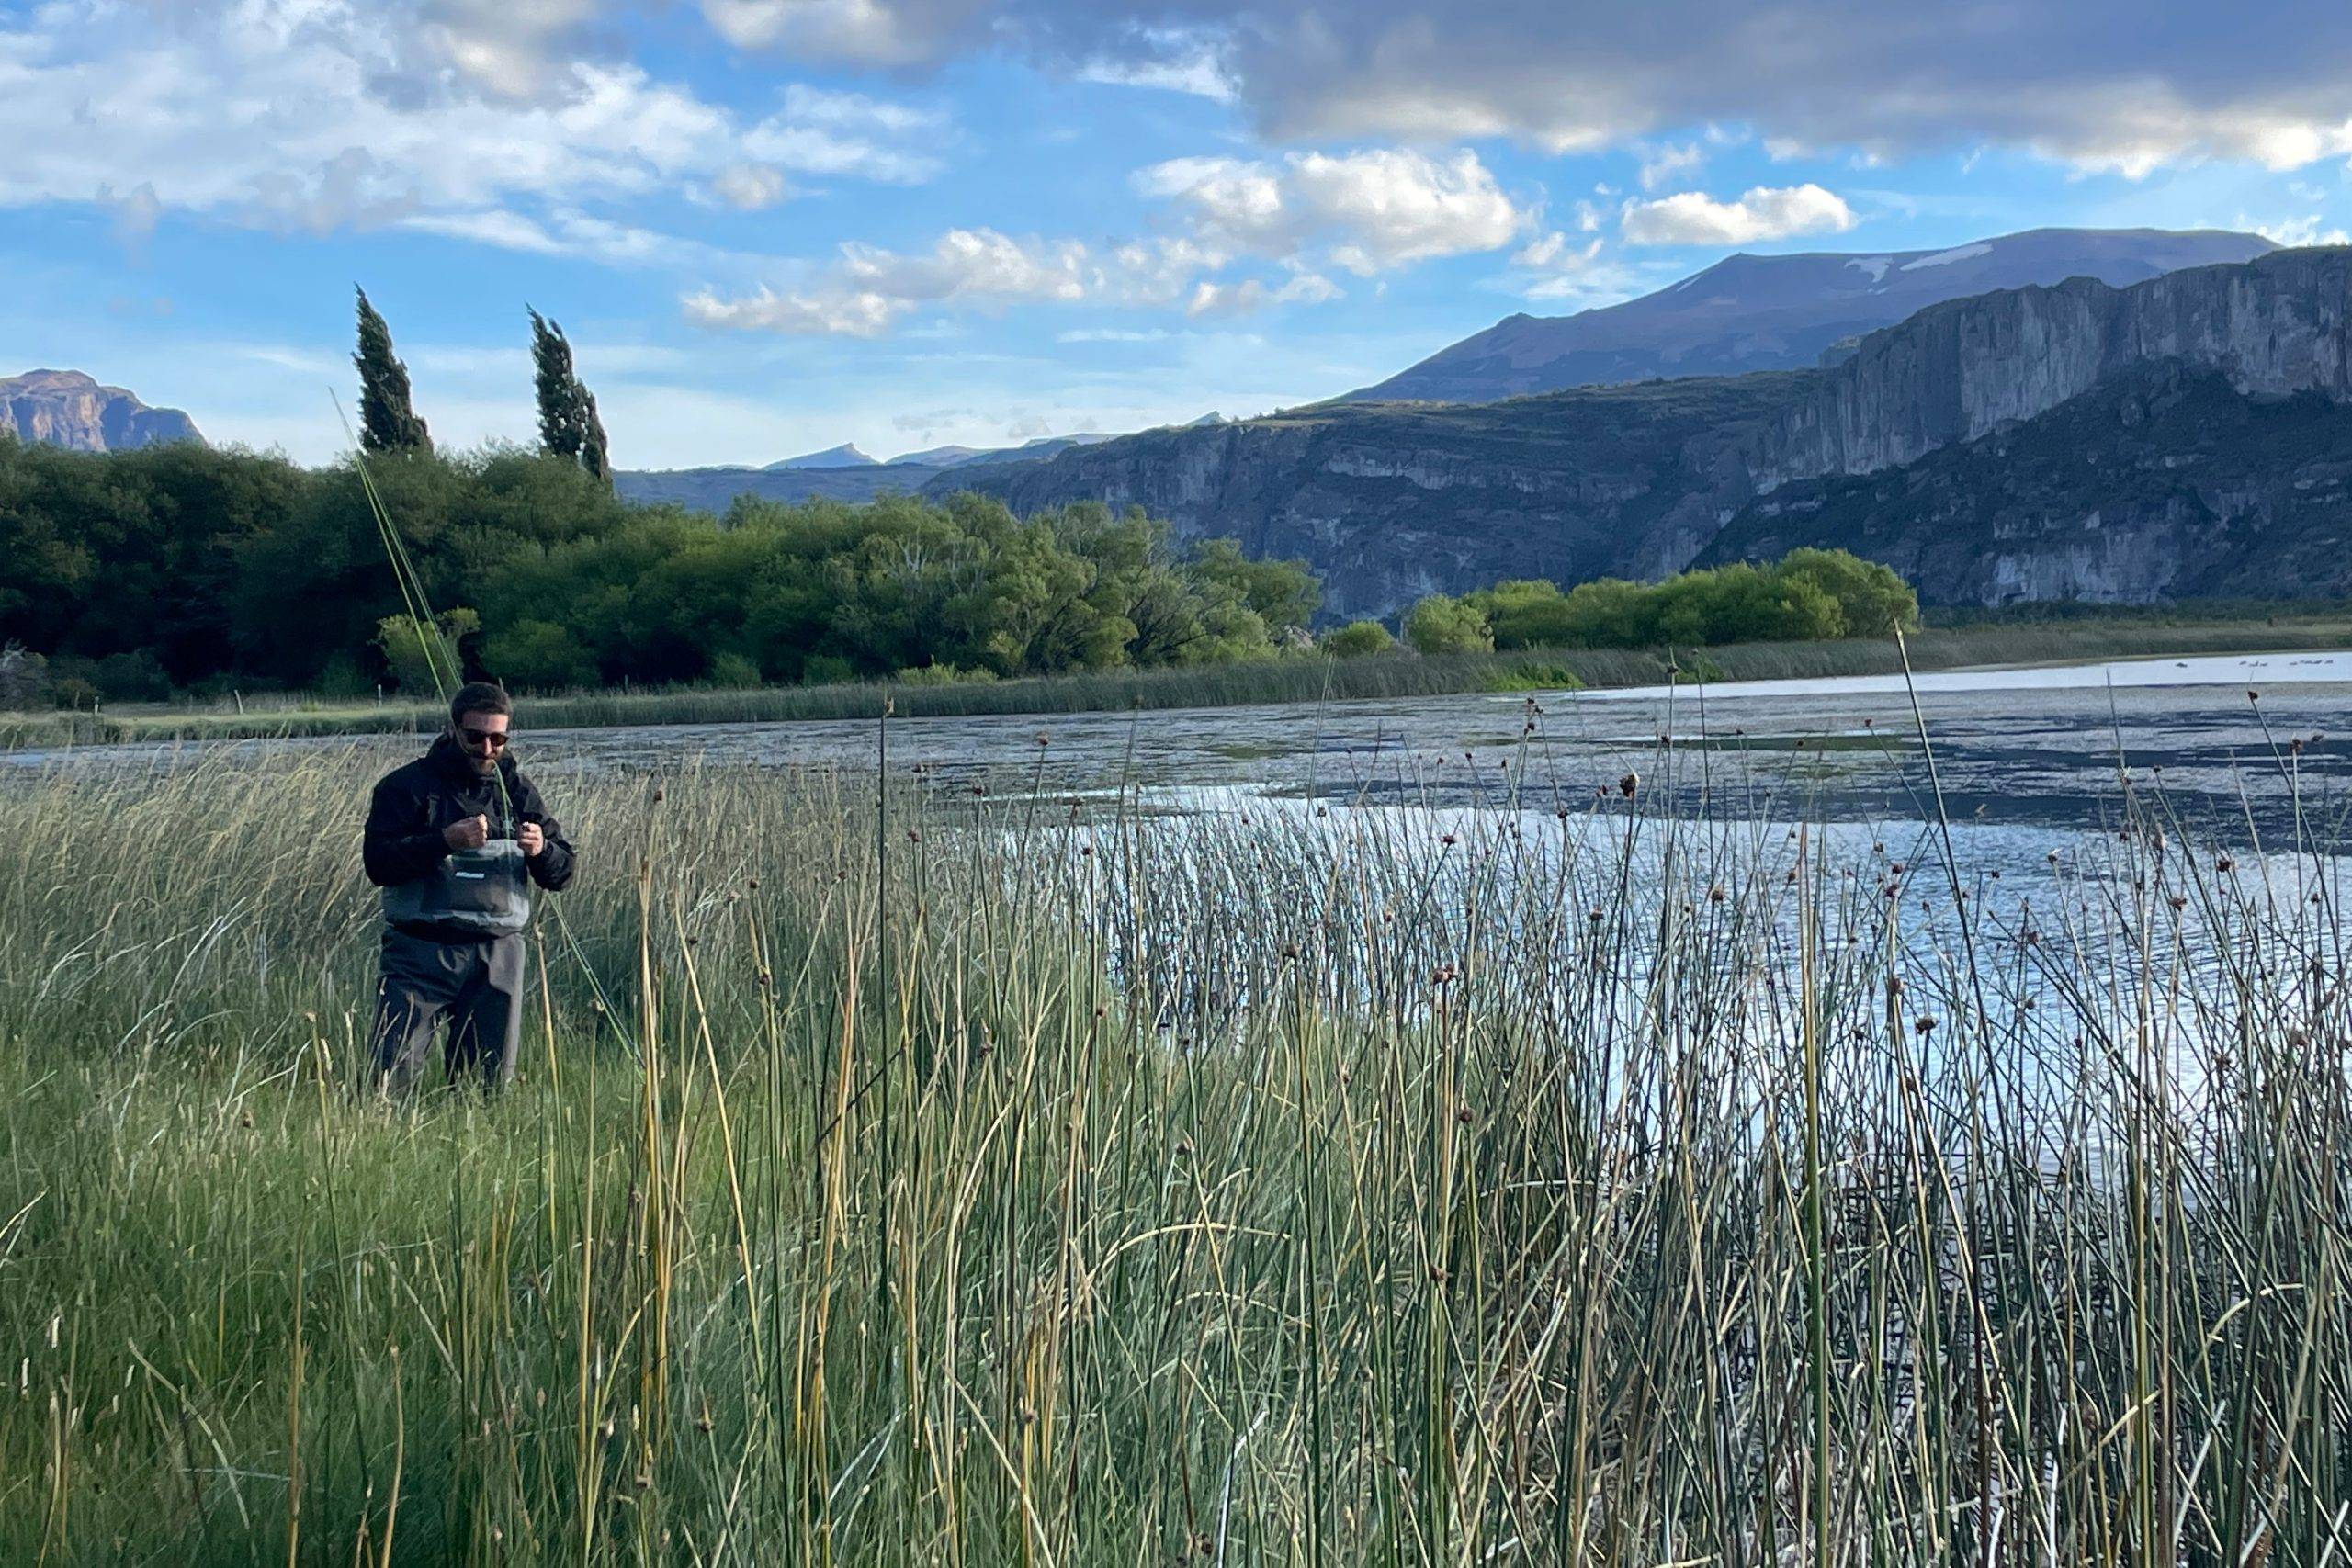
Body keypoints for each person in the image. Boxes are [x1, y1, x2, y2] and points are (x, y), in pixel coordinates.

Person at [363, 682, 576, 1092]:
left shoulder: (518, 791)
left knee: (486, 1088)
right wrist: (443, 841)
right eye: (475, 736)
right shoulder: (404, 787)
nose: (487, 748)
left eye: (498, 738)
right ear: (451, 730)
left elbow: (563, 873)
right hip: (418, 952)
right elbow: (379, 864)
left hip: (497, 956)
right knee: (387, 1082)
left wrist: (541, 850)